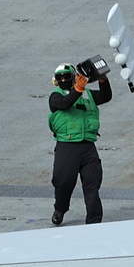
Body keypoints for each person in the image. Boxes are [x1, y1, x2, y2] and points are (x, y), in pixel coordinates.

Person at [48, 62, 112, 225]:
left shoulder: (87, 94)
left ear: (74, 77)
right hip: (67, 146)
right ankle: (60, 208)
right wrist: (78, 89)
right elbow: (65, 103)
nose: (63, 80)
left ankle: (94, 221)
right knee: (63, 183)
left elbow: (106, 97)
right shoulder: (55, 96)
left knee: (92, 184)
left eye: (66, 77)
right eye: (59, 78)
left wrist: (103, 80)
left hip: (87, 147)